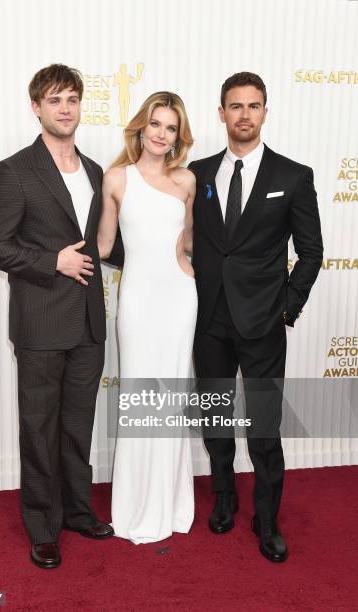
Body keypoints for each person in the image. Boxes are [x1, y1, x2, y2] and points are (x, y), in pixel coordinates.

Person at [0, 64, 116, 570]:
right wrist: (50, 261)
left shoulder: (97, 171)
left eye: (73, 99)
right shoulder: (13, 171)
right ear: (36, 107)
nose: (65, 108)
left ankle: (79, 512)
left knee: (78, 427)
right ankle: (43, 527)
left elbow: (104, 244)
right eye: (55, 100)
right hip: (39, 323)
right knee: (39, 429)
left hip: (88, 323)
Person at [189, 72, 323, 562]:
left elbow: (311, 252)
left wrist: (287, 306)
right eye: (235, 106)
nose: (244, 114)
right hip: (209, 320)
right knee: (216, 414)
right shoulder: (197, 173)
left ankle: (267, 520)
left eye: (253, 105)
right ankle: (224, 495)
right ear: (220, 113)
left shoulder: (293, 176)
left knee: (264, 427)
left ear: (265, 112)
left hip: (263, 321)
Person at [98, 92, 197, 543]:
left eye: (170, 127)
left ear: (179, 136)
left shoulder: (187, 182)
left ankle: (171, 503)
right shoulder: (116, 178)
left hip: (179, 297)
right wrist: (46, 256)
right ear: (141, 127)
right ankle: (137, 506)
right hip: (137, 299)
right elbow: (102, 246)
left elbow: (191, 243)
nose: (161, 134)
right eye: (155, 124)